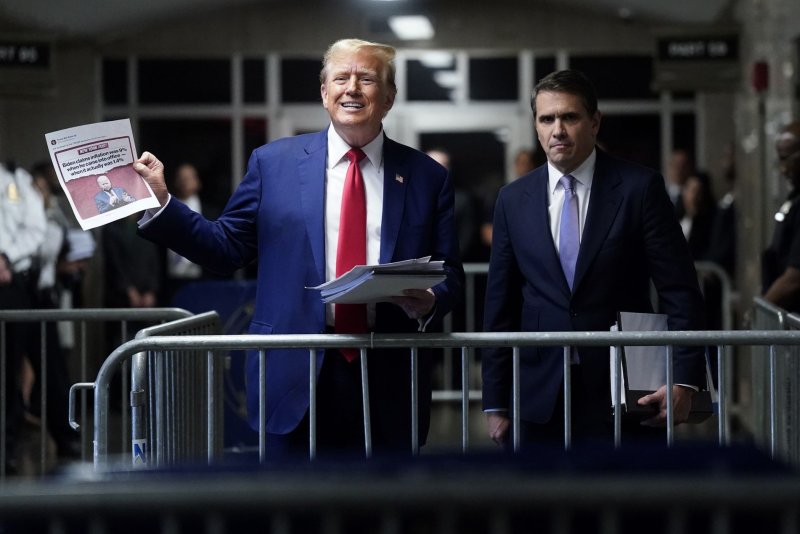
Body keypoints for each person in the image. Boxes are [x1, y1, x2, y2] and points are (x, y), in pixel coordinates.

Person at [135, 38, 464, 456]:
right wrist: (163, 204)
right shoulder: (273, 164)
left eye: (366, 79)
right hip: (292, 373)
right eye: (341, 78)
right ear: (324, 93)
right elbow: (225, 248)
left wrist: (431, 299)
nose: (352, 88)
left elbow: (451, 272)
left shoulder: (426, 177)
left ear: (389, 97)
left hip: (388, 374)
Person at [481, 70, 707, 447]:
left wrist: (684, 380)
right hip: (538, 392)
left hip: (624, 388)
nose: (558, 130)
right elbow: (499, 304)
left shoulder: (639, 188)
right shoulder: (512, 199)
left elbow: (679, 289)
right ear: (536, 125)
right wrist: (495, 400)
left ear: (595, 122)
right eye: (547, 119)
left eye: (569, 117)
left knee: (623, 503)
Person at [0, 161, 47, 471]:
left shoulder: (15, 179)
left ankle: (7, 445)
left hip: (8, 282)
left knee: (7, 367)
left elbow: (35, 228)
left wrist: (5, 256)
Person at [762, 121, 800, 311]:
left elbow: (795, 277)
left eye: (788, 159)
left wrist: (762, 308)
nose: (784, 169)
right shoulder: (794, 199)